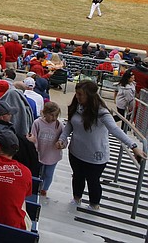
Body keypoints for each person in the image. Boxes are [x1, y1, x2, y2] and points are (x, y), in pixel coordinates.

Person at [58, 80, 146, 210]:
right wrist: (62, 138)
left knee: (93, 181)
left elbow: (115, 130)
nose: (77, 97)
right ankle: (76, 198)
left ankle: (94, 204)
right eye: (76, 94)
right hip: (76, 152)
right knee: (77, 177)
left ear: (89, 95)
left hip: (95, 156)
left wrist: (133, 146)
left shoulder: (101, 113)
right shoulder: (77, 106)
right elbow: (71, 124)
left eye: (80, 94)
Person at [27, 102, 62, 197]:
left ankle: (44, 188)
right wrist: (35, 148)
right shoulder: (37, 123)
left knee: (49, 173)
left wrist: (61, 144)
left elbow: (63, 138)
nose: (54, 118)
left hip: (52, 153)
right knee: (40, 173)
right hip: (40, 152)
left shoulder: (59, 125)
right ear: (45, 113)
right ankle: (37, 187)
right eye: (51, 115)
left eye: (56, 115)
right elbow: (34, 136)